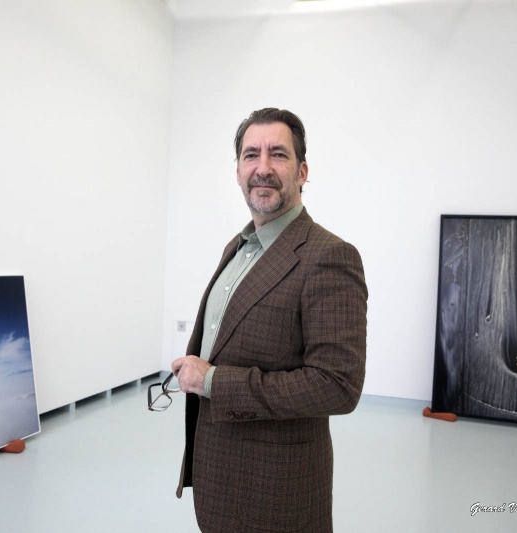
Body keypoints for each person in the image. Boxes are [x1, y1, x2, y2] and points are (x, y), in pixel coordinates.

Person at [171, 107, 368, 533]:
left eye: (277, 154)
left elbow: (338, 386)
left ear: (302, 171)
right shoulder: (238, 247)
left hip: (276, 491)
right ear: (237, 171)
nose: (263, 168)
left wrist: (211, 381)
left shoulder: (329, 256)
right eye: (250, 155)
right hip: (218, 477)